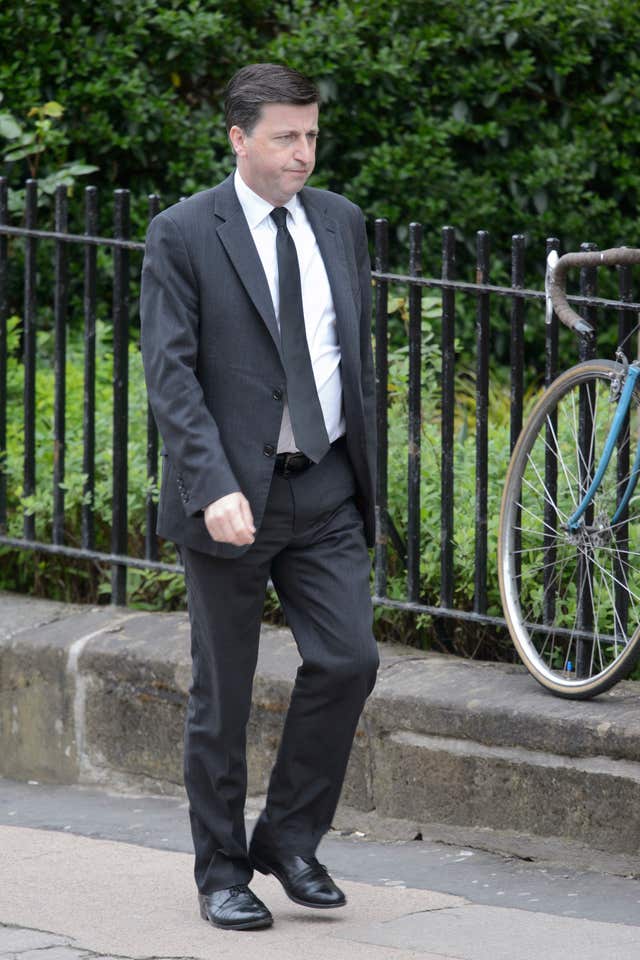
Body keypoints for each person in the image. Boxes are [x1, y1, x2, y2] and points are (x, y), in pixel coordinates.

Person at [140, 62, 378, 932]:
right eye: (286, 136)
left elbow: (350, 356)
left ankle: (287, 838)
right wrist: (210, 488)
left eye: (312, 135)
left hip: (323, 487)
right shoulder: (182, 232)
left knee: (351, 660)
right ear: (239, 138)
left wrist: (357, 470)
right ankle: (221, 872)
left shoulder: (341, 223)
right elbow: (170, 376)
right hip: (230, 502)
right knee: (224, 696)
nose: (303, 153)